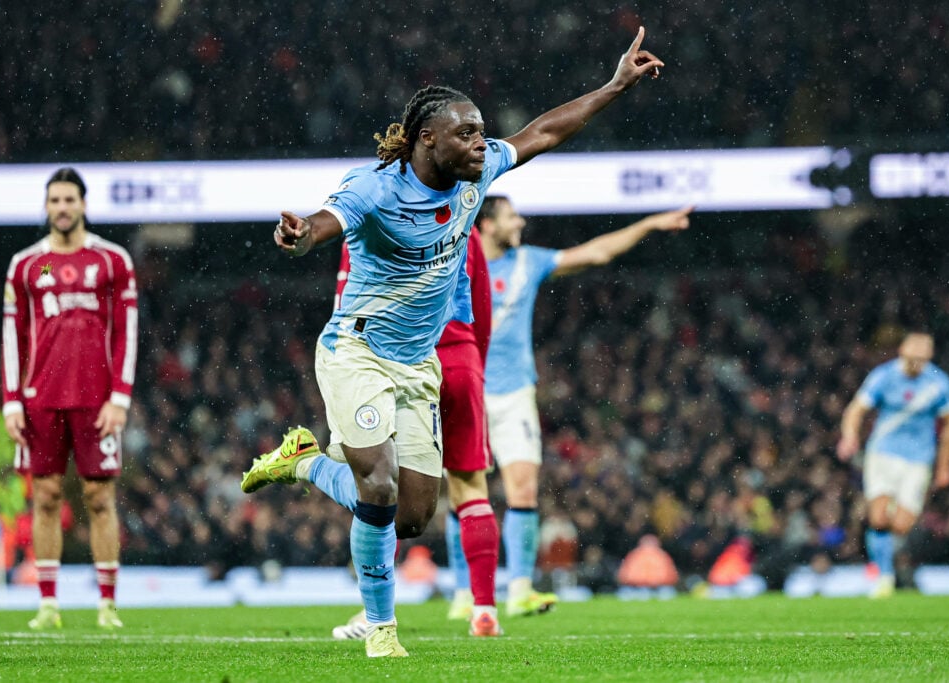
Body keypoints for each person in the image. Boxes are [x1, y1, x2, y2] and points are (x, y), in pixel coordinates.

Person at [240, 27, 665, 658]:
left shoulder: (476, 171)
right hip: (357, 351)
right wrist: (299, 236)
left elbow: (542, 134)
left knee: (411, 515)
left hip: (418, 362)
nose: (481, 143)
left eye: (480, 131)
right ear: (425, 141)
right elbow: (323, 225)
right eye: (466, 134)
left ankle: (302, 461)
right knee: (377, 486)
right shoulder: (375, 188)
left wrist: (613, 86)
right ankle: (382, 630)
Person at [448, 195, 692, 616]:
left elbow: (596, 252)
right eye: (511, 217)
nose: (520, 221)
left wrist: (647, 225)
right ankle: (463, 592)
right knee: (464, 494)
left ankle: (520, 588)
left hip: (514, 392)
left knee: (522, 487)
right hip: (466, 387)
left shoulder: (528, 262)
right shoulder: (456, 263)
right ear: (485, 225)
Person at [330, 227, 503, 639]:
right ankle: (484, 609)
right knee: (471, 489)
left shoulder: (368, 214)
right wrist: (471, 363)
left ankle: (371, 612)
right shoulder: (466, 221)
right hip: (459, 358)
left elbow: (346, 300)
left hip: (400, 362)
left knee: (386, 490)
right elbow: (481, 306)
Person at [1, 167, 139, 630]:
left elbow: (126, 332)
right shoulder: (31, 265)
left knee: (100, 497)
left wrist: (119, 395)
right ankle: (47, 606)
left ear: (83, 204)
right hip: (41, 399)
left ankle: (107, 606)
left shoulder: (110, 261)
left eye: (69, 200)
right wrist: (12, 400)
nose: (62, 208)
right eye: (54, 201)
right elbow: (13, 334)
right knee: (45, 494)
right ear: (46, 207)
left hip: (96, 399)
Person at [836, 331, 949, 597]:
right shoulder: (884, 376)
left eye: (921, 359)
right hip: (883, 454)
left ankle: (891, 566)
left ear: (929, 357)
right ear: (902, 352)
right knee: (878, 518)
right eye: (912, 358)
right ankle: (884, 577)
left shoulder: (938, 383)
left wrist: (944, 465)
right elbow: (856, 409)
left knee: (901, 525)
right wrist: (849, 437)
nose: (916, 364)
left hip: (918, 460)